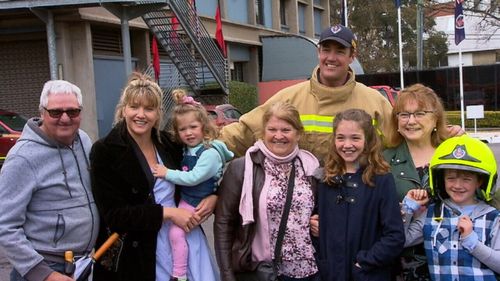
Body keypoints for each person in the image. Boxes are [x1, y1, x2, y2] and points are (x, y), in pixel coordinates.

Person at [90, 73, 218, 281]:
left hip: (182, 239)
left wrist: (214, 197)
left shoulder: (170, 143)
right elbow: (114, 216)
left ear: (158, 114)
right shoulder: (105, 150)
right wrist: (167, 213)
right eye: (134, 107)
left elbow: (205, 167)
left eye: (149, 109)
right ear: (123, 110)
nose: (141, 114)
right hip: (135, 253)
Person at [220, 24, 393, 161]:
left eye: (340, 51)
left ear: (352, 56)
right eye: (326, 50)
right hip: (303, 200)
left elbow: (404, 148)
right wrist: (204, 144)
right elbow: (243, 133)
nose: (331, 58)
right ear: (318, 52)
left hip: (359, 199)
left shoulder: (376, 103)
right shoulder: (288, 99)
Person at [0, 80, 99, 281]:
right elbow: (5, 226)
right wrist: (45, 275)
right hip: (45, 269)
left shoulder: (83, 140)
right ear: (42, 112)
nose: (65, 118)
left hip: (82, 264)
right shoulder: (22, 158)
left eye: (72, 111)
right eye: (56, 112)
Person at [214, 101, 321, 281]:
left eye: (286, 130)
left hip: (307, 271)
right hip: (263, 271)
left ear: (298, 134)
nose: (278, 136)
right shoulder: (242, 168)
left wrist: (320, 223)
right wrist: (227, 274)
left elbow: (321, 212)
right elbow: (224, 223)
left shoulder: (312, 168)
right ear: (263, 132)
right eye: (272, 130)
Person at [152, 89, 233, 281]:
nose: (188, 133)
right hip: (189, 198)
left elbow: (193, 178)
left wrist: (167, 173)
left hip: (194, 201)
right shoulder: (191, 148)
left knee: (176, 233)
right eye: (183, 129)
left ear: (204, 127)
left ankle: (179, 274)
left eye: (193, 127)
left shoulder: (208, 153)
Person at [315, 109, 405, 281]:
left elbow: (395, 236)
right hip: (332, 272)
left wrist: (365, 262)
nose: (347, 144)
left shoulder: (381, 180)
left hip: (367, 274)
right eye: (341, 138)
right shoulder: (326, 179)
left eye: (355, 138)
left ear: (368, 140)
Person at [403, 135, 500, 280]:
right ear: (441, 179)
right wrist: (407, 208)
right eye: (451, 178)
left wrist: (472, 242)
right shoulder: (432, 214)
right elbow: (401, 241)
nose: (457, 185)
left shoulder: (493, 217)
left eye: (466, 179)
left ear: (480, 181)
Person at [383, 83, 449, 280]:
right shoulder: (383, 161)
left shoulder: (453, 153)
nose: (411, 121)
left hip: (452, 262)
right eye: (403, 114)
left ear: (436, 117)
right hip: (403, 267)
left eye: (420, 113)